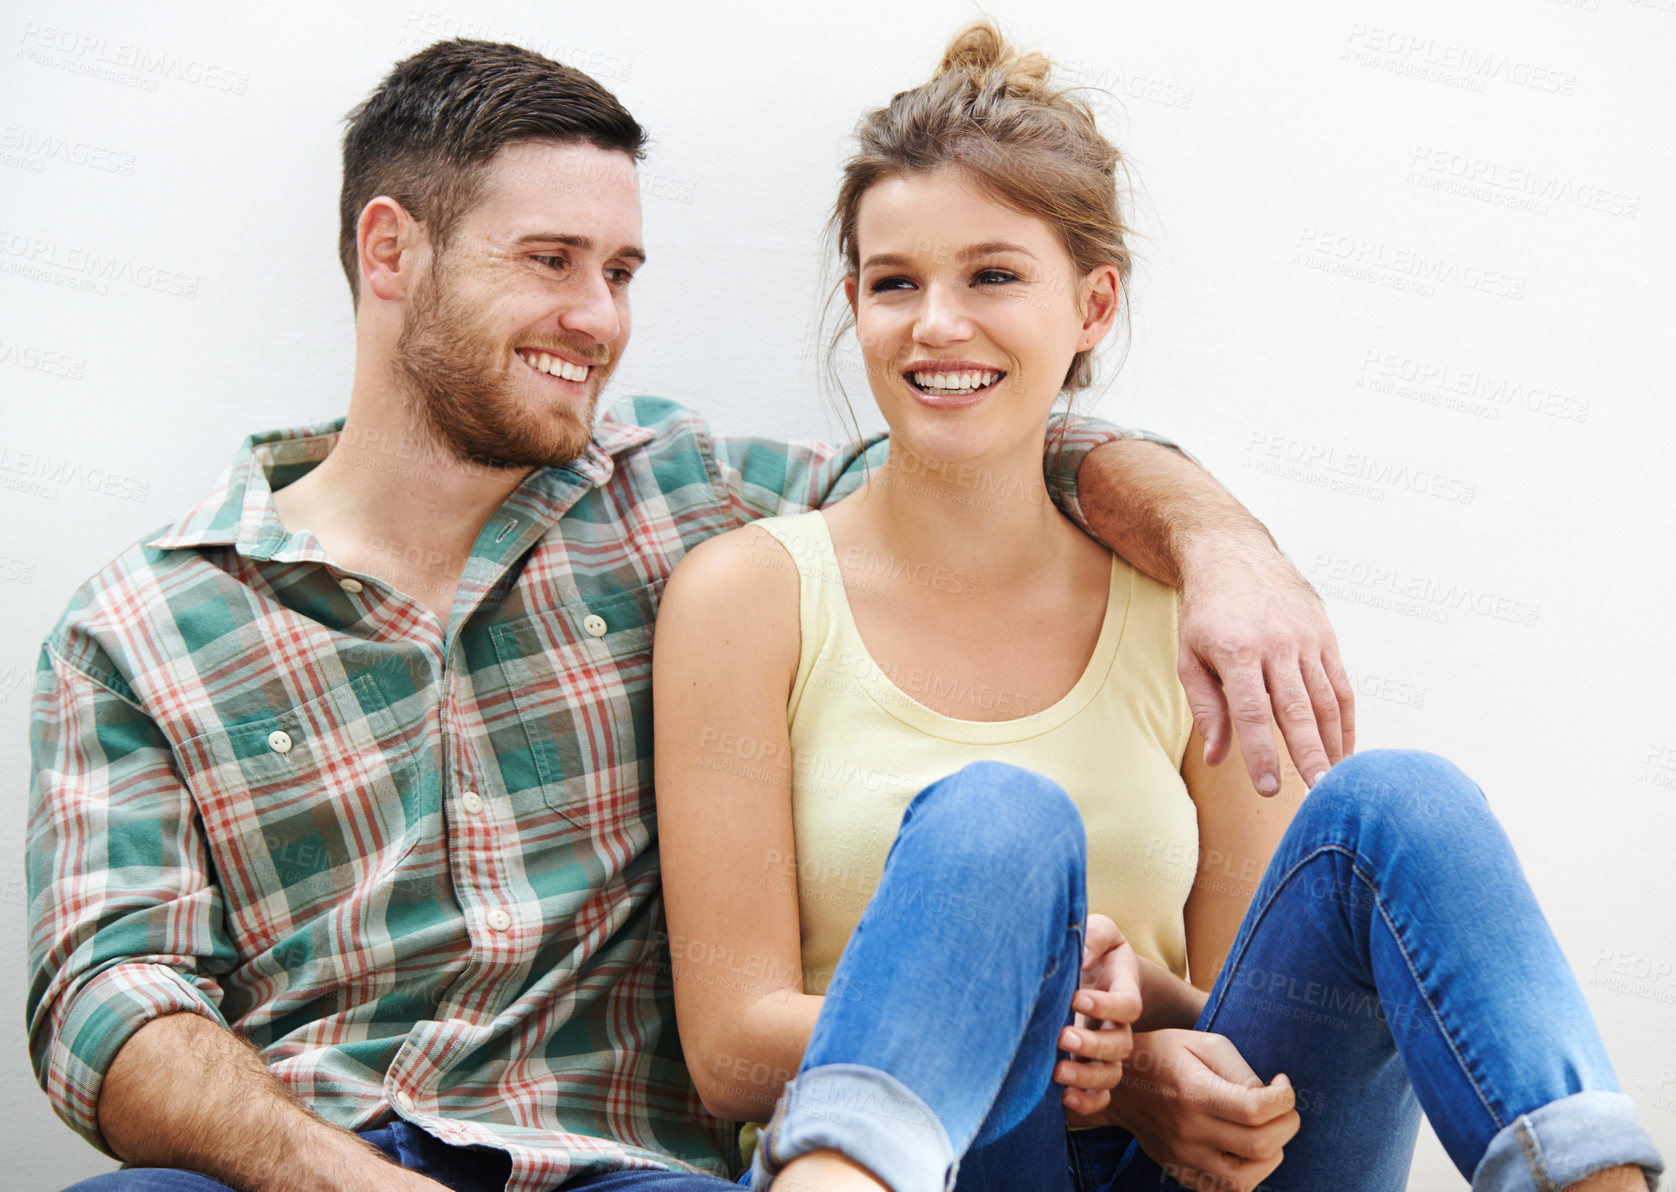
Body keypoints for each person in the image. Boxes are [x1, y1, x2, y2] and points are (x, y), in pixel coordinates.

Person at [25, 37, 1354, 1192]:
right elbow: (105, 1003)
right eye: (551, 261)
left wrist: (1223, 544)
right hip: (305, 1156)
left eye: (622, 269)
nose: (599, 320)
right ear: (391, 251)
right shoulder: (146, 624)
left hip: (622, 1169)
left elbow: (987, 453)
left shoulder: (685, 501)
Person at [650, 24, 1664, 1192]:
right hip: (947, 1165)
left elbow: (1240, 1013)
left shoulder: (1191, 614)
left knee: (1401, 800)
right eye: (894, 283)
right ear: (855, 303)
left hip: (1189, 1174)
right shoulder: (747, 594)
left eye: (991, 274)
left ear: (1092, 304)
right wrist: (1071, 1038)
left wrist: (1144, 1013)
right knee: (997, 823)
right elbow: (728, 1049)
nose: (935, 324)